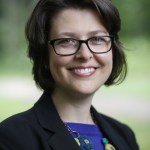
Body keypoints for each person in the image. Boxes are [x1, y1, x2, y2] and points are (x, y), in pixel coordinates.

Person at [0, 0, 139, 149]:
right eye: (67, 41)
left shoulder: (124, 135)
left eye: (98, 39)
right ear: (44, 54)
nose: (85, 54)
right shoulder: (12, 138)